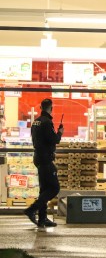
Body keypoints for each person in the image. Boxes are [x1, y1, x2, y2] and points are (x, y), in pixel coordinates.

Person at [23, 98, 64, 228]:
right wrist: (60, 133)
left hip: (38, 157)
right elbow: (54, 140)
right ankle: (32, 209)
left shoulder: (36, 122)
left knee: (44, 189)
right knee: (54, 188)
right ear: (50, 108)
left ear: (41, 107)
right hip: (46, 159)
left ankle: (42, 219)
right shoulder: (47, 122)